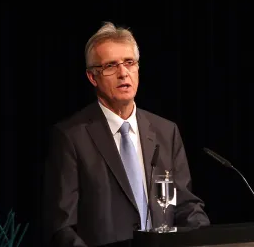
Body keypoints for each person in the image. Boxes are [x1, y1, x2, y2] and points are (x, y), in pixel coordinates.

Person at [43, 21, 210, 246]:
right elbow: (62, 226)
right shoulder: (71, 137)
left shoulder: (165, 131)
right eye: (111, 66)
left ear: (138, 69)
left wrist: (206, 238)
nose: (123, 73)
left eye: (129, 63)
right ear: (93, 77)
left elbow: (184, 205)